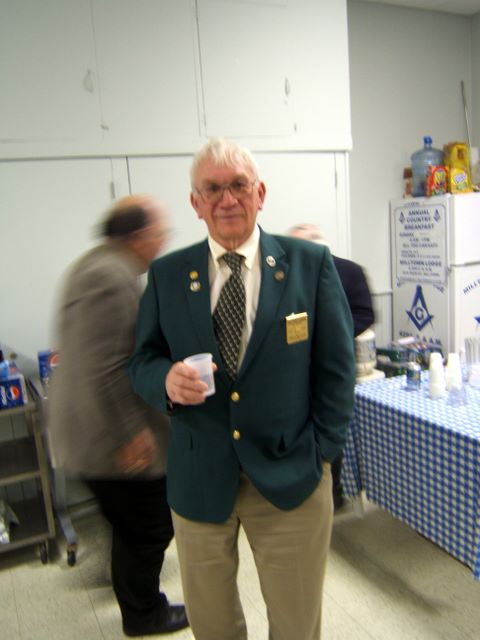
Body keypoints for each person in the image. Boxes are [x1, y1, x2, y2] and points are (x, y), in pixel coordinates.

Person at [128, 139, 356, 640]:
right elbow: (141, 360)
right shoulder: (167, 275)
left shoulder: (309, 264)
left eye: (238, 185)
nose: (226, 199)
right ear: (196, 203)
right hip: (199, 480)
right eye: (212, 189)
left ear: (260, 193)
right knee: (213, 627)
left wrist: (322, 451)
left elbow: (338, 369)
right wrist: (164, 380)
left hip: (291, 477)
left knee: (296, 626)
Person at [47, 194, 188, 637]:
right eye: (160, 234)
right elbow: (107, 368)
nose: (163, 242)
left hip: (89, 431)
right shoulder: (110, 277)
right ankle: (144, 613)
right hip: (105, 438)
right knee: (150, 525)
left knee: (132, 524)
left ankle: (133, 594)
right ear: (139, 236)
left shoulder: (94, 265)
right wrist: (131, 433)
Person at [289, 223, 375, 509]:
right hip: (296, 367)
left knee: (331, 427)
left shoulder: (349, 271)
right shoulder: (286, 272)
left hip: (334, 366)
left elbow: (366, 314)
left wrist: (331, 332)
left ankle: (334, 491)